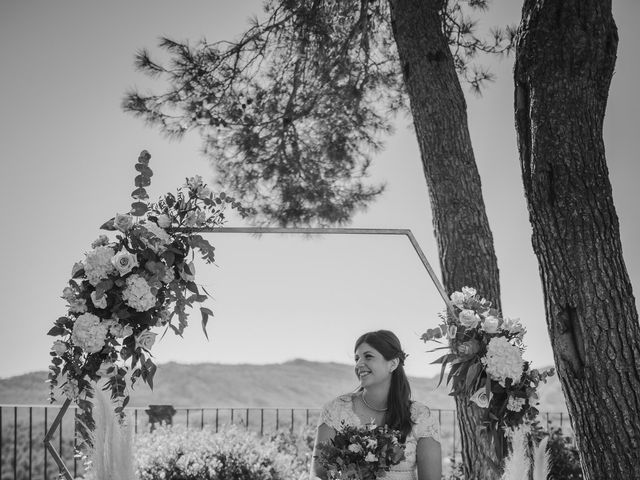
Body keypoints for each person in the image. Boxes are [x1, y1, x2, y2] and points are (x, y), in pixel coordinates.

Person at [310, 330, 442, 480]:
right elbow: (319, 473)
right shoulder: (335, 410)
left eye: (368, 356)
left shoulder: (421, 416)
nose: (359, 364)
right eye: (356, 358)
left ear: (393, 364)